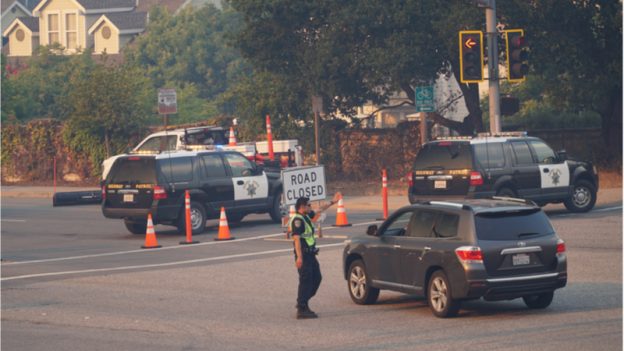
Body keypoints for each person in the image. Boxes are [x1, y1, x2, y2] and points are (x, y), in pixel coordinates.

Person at [290, 192, 341, 319]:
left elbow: (320, 209)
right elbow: (296, 239)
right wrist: (299, 257)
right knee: (305, 281)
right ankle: (302, 308)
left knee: (317, 278)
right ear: (302, 207)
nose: (310, 207)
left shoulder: (306, 216)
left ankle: (303, 301)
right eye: (308, 205)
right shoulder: (297, 220)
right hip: (304, 255)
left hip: (311, 255)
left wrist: (333, 202)